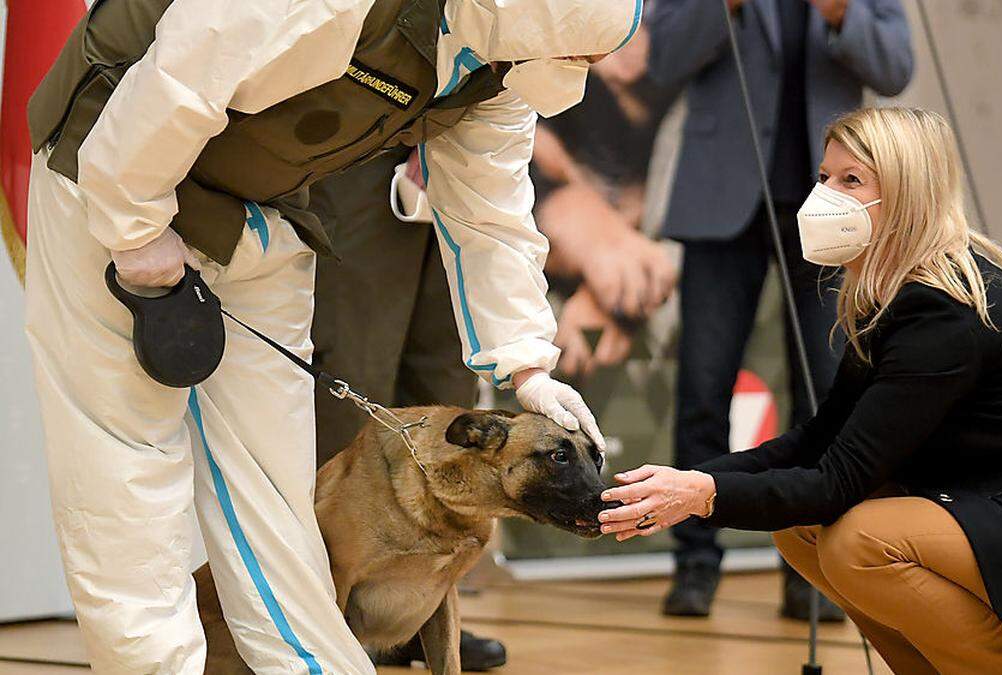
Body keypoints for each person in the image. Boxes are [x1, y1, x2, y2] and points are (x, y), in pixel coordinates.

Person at [23, 0, 640, 671]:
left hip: (261, 204)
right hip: (110, 158)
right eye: (578, 52)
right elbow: (182, 68)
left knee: (277, 495)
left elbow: (491, 210)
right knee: (126, 470)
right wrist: (134, 225)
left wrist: (529, 367)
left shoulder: (503, 61)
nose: (596, 69)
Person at [597, 107, 1002, 674]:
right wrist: (687, 483)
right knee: (804, 529)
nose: (824, 197)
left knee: (859, 541)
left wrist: (703, 495)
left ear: (907, 193)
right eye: (824, 176)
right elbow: (818, 442)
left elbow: (837, 482)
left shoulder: (944, 312)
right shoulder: (894, 297)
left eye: (851, 180)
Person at [646, 0, 913, 618]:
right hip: (722, 201)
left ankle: (811, 570)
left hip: (831, 210)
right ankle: (693, 563)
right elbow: (663, 57)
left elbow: (896, 67)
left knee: (828, 394)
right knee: (703, 388)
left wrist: (845, 15)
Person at [306, 148, 506, 671]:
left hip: (461, 145)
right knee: (351, 384)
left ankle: (412, 614)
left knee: (446, 393)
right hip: (365, 143)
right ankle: (313, 619)